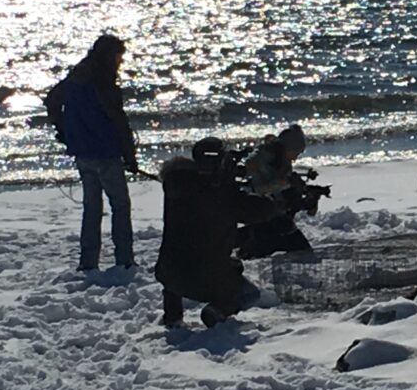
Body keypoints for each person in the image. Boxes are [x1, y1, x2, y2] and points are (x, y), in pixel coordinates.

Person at [154, 138, 277, 328]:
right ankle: (218, 310)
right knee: (250, 293)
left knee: (179, 261)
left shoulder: (177, 185)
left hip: (168, 272)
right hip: (205, 277)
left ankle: (173, 316)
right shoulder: (222, 194)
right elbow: (260, 210)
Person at [44, 34, 138, 271]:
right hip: (105, 152)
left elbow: (51, 101)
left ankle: (88, 261)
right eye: (118, 56)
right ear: (109, 55)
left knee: (92, 208)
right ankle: (124, 259)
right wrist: (130, 155)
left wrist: (63, 130)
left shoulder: (76, 76)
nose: (120, 62)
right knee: (120, 206)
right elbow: (118, 120)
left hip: (82, 152)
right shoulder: (103, 81)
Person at [238, 124, 317, 257]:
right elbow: (258, 188)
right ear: (288, 148)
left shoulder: (279, 159)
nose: (295, 158)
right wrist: (287, 183)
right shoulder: (261, 160)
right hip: (257, 207)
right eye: (296, 152)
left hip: (269, 209)